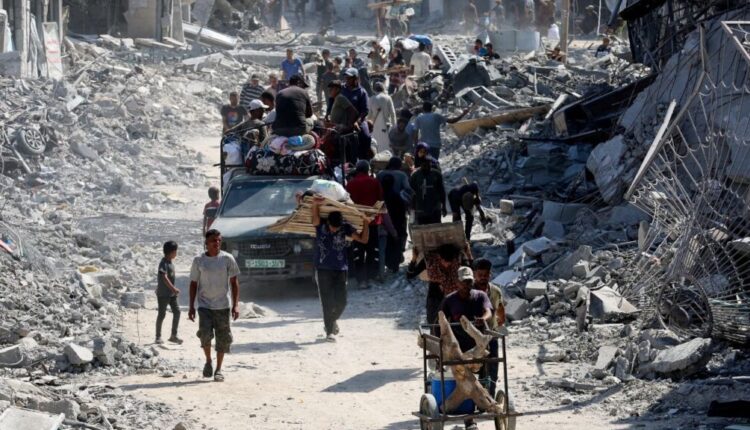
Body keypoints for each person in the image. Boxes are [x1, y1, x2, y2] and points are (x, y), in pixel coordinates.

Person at [312, 197, 370, 341]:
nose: (335, 229)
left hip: (341, 269)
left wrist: (366, 222)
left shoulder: (345, 228)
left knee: (342, 302)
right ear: (328, 222)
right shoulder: (321, 226)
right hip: (323, 269)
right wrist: (315, 204)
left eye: (337, 228)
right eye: (333, 227)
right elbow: (315, 218)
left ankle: (332, 321)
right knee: (327, 302)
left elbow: (363, 240)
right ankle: (329, 332)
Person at [440, 265, 492, 430]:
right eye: (463, 282)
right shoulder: (450, 300)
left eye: (469, 281)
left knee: (479, 380)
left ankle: (476, 412)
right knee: (464, 380)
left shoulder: (480, 296)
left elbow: (488, 311)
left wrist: (483, 319)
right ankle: (468, 418)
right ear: (457, 282)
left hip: (478, 346)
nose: (466, 285)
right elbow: (440, 322)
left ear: (472, 281)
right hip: (458, 348)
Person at [188, 229, 240, 383]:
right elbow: (193, 284)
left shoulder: (227, 259)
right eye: (213, 240)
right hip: (204, 305)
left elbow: (234, 283)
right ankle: (208, 361)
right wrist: (191, 306)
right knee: (205, 335)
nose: (216, 243)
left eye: (219, 240)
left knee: (222, 339)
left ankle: (218, 369)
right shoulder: (199, 261)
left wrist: (235, 305)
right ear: (206, 243)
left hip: (223, 305)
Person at [407, 243, 471, 328]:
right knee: (434, 322)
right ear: (439, 257)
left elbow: (472, 270)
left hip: (455, 293)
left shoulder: (459, 258)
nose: (447, 265)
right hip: (435, 294)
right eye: (444, 262)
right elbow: (410, 274)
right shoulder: (430, 261)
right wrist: (414, 259)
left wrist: (469, 255)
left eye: (450, 263)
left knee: (457, 322)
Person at [346, 160, 383, 287]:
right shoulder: (375, 182)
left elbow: (347, 202)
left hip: (356, 224)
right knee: (372, 250)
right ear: (368, 170)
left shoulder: (350, 184)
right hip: (371, 223)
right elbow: (380, 200)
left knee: (358, 252)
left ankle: (361, 280)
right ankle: (371, 276)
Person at [473, 258, 505, 397]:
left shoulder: (496, 291)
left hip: (491, 335)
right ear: (475, 275)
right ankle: (476, 397)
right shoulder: (469, 291)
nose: (483, 278)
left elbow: (500, 308)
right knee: (476, 368)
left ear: (489, 275)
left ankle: (490, 396)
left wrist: (500, 323)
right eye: (480, 275)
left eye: (485, 275)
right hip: (473, 337)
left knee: (493, 367)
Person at [155, 241, 182, 345]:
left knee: (177, 312)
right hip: (163, 294)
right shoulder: (163, 263)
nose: (176, 253)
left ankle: (173, 335)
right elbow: (164, 277)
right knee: (162, 314)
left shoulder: (170, 263)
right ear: (171, 252)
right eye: (175, 251)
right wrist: (173, 288)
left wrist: (172, 291)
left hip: (171, 294)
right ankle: (158, 336)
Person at [410, 156, 446, 225]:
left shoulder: (436, 174)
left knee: (435, 227)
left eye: (428, 164)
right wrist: (412, 208)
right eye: (424, 164)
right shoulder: (415, 176)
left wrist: (444, 206)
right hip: (420, 208)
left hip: (435, 208)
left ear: (430, 164)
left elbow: (441, 191)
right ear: (420, 164)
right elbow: (412, 192)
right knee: (422, 228)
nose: (426, 166)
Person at [367, 81, 396, 153]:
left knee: (376, 146)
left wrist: (368, 127)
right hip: (387, 126)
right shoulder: (388, 98)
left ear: (374, 89)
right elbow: (393, 113)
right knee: (387, 147)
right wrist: (394, 126)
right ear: (383, 88)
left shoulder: (371, 99)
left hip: (375, 127)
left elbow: (369, 115)